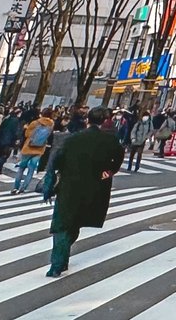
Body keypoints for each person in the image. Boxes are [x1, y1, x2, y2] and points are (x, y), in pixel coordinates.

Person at [46, 108, 124, 277]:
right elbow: (117, 160)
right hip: (94, 188)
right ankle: (61, 260)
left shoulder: (73, 139)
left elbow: (57, 160)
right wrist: (107, 173)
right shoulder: (110, 141)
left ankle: (57, 263)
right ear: (104, 121)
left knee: (62, 225)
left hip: (68, 186)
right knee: (76, 223)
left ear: (87, 120)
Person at [13, 112, 54, 193]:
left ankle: (16, 187)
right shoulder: (51, 124)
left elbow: (27, 134)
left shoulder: (35, 123)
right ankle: (23, 188)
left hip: (28, 148)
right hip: (39, 149)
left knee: (21, 168)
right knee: (31, 170)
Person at [0, 110, 24, 176]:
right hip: (9, 140)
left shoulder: (7, 119)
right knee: (5, 155)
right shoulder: (16, 121)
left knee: (3, 154)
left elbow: (0, 128)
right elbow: (16, 132)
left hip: (1, 138)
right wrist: (17, 139)